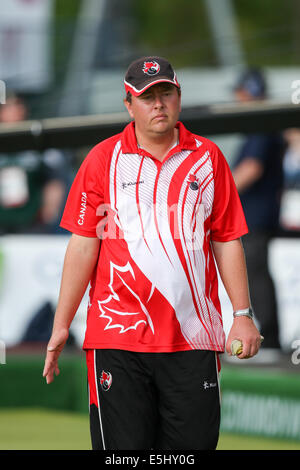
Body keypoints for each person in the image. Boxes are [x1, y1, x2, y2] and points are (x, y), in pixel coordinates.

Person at [43, 56, 262, 450]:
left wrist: (242, 315)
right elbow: (83, 244)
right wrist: (62, 324)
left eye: (166, 93)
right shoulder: (101, 160)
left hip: (194, 339)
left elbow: (227, 238)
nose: (158, 104)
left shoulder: (209, 158)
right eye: (147, 97)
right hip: (117, 339)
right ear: (129, 104)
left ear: (179, 98)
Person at [231, 67, 285, 358]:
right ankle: (269, 338)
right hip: (256, 215)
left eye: (240, 92)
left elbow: (251, 168)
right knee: (255, 274)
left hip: (256, 217)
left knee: (255, 276)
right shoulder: (262, 124)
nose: (237, 98)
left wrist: (218, 195)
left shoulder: (262, 123)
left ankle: (270, 339)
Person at [0, 93, 71, 235]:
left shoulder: (38, 140)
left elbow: (54, 179)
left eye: (18, 105)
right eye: (8, 107)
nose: (14, 111)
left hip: (32, 223)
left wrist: (49, 210)